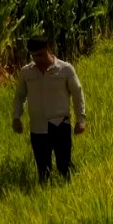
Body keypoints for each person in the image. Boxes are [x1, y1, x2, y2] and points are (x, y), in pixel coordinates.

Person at [12, 37, 88, 184]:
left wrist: (81, 119)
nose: (37, 59)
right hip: (37, 127)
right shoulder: (26, 72)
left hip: (60, 124)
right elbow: (20, 96)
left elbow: (77, 93)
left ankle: (73, 188)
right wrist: (16, 117)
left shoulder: (65, 69)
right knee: (43, 170)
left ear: (48, 49)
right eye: (33, 56)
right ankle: (46, 194)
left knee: (64, 165)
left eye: (40, 55)